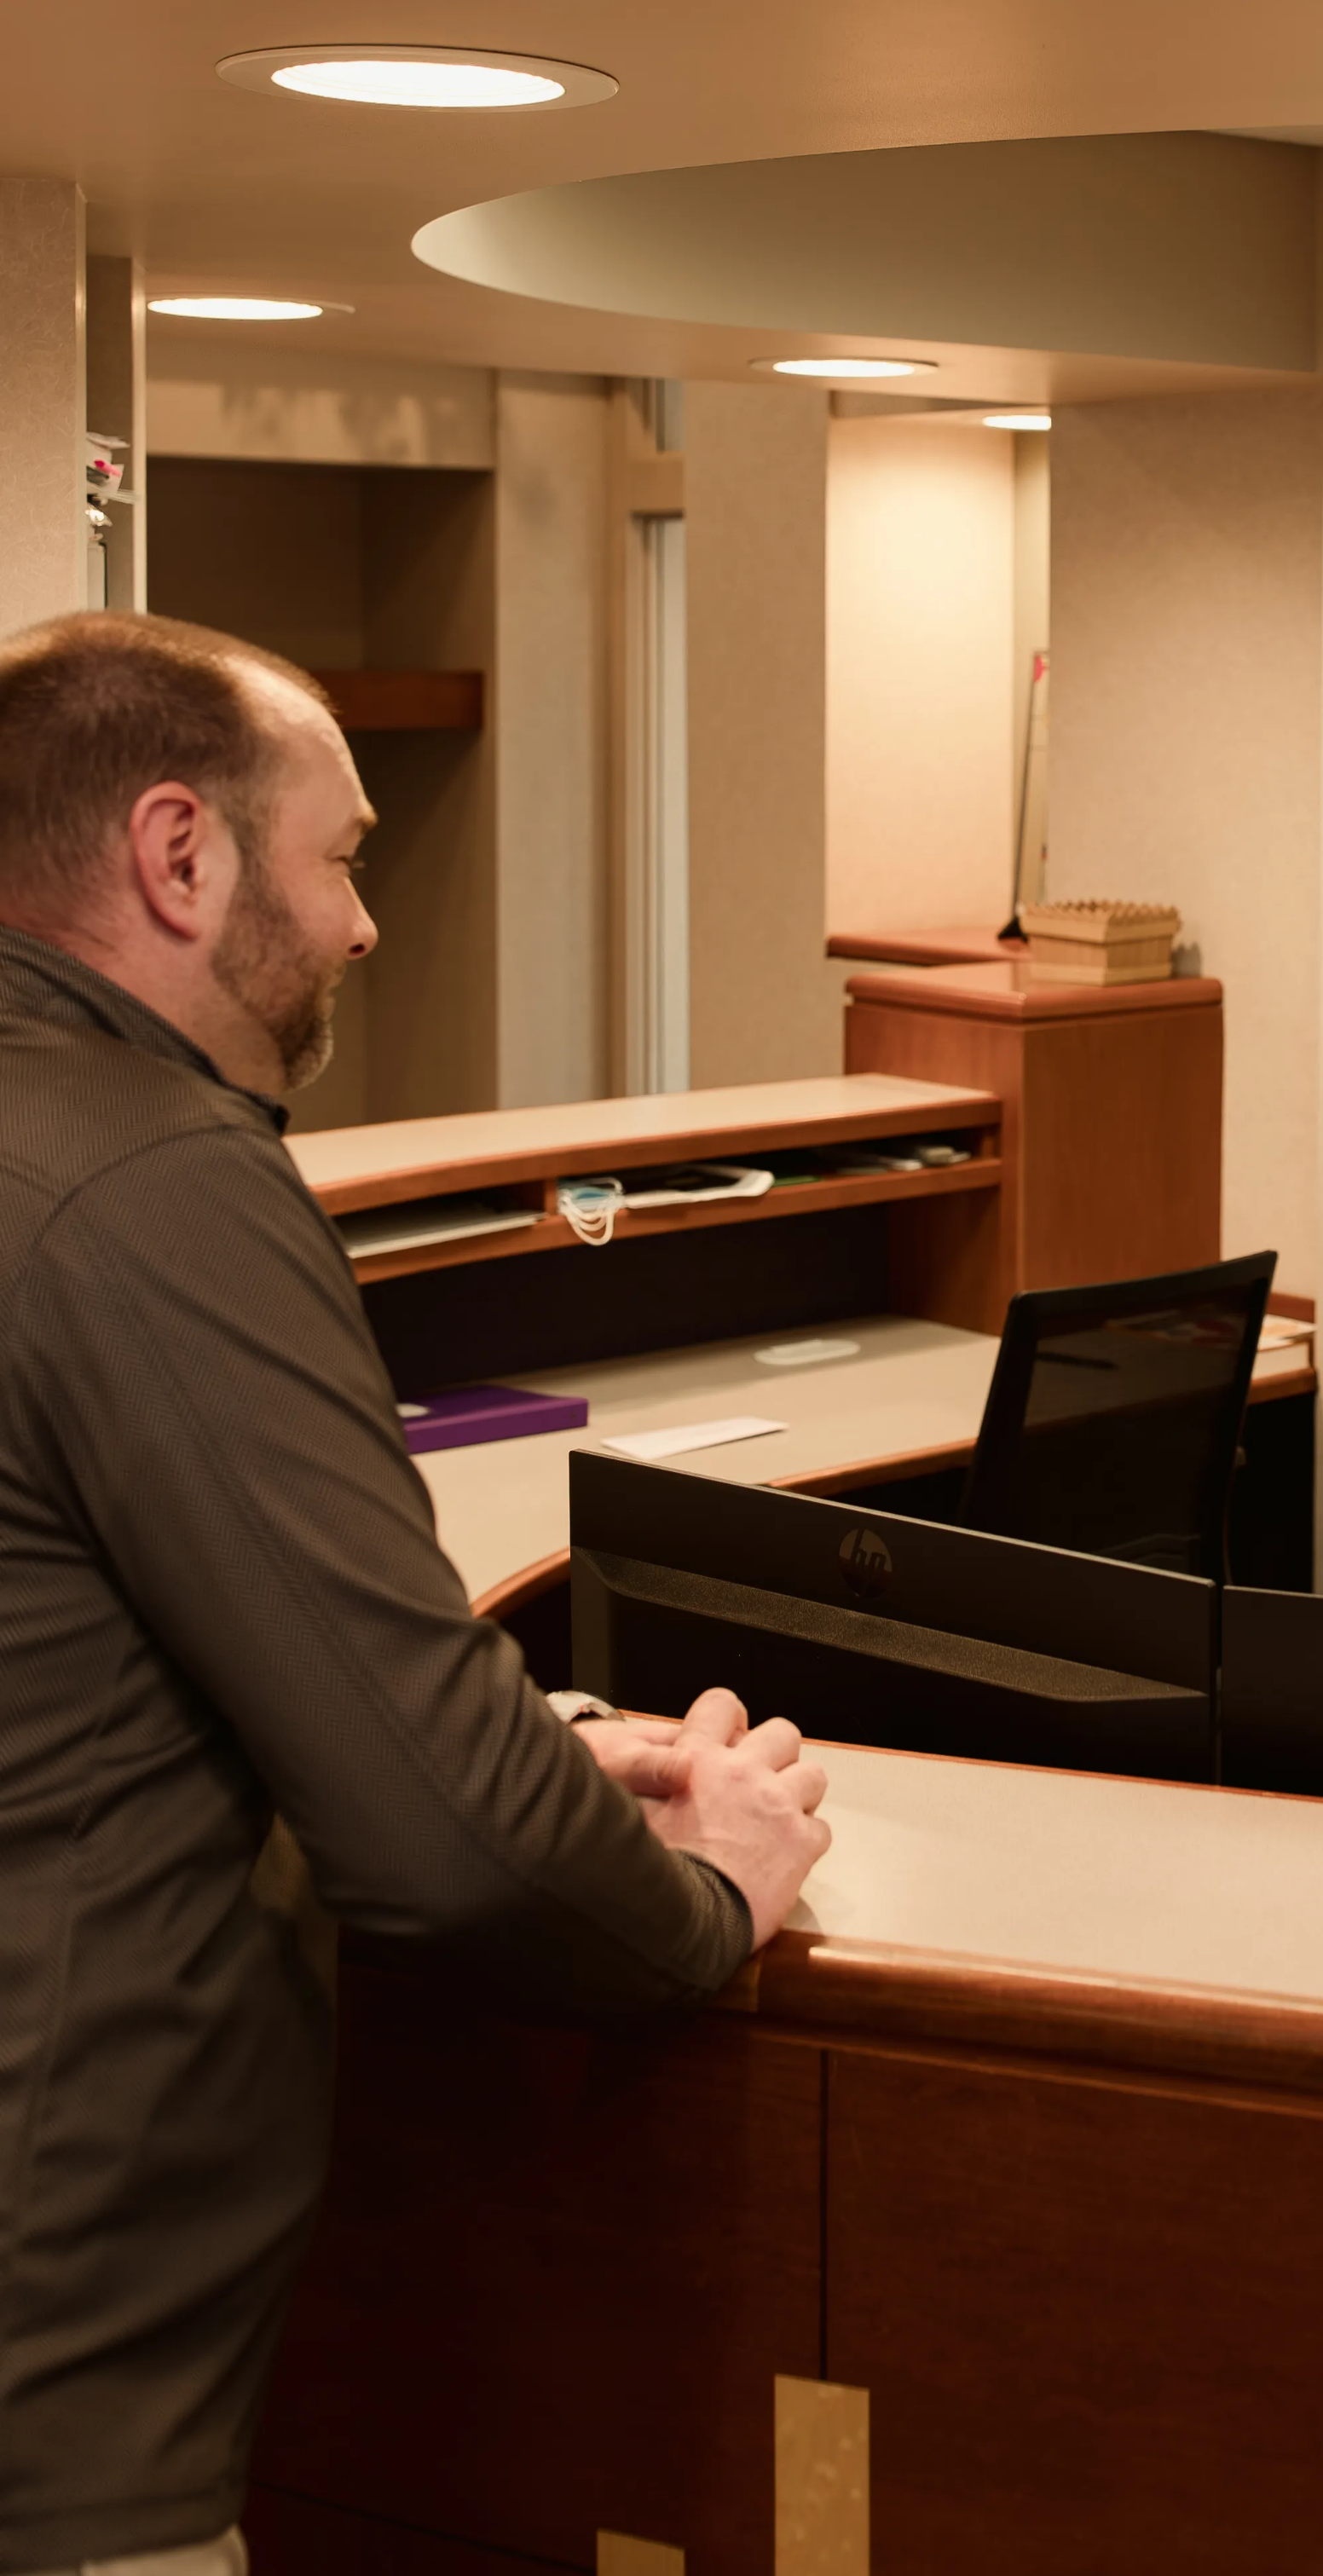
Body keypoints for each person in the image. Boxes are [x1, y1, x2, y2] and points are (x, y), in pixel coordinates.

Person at [0, 612, 832, 2576]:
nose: (370, 920)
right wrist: (706, 1886)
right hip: (53, 2395)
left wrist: (527, 1729)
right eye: (342, 853)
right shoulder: (160, 1184)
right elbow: (449, 1846)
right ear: (181, 854)